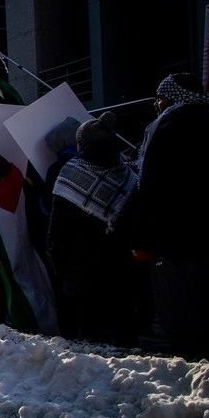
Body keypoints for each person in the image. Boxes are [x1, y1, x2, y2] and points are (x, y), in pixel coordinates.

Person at [132, 73, 209, 361]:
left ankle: (196, 365)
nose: (157, 106)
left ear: (171, 98)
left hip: (176, 237)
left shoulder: (166, 127)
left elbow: (150, 185)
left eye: (160, 99)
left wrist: (142, 236)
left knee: (184, 308)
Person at [47, 112, 138, 346]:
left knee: (93, 338)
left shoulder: (70, 174)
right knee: (123, 331)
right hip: (122, 267)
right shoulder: (128, 173)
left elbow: (57, 230)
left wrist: (60, 268)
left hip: (82, 270)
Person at [0, 133, 57, 335]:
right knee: (33, 275)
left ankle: (27, 321)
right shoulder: (13, 170)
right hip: (25, 236)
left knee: (11, 279)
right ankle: (49, 318)